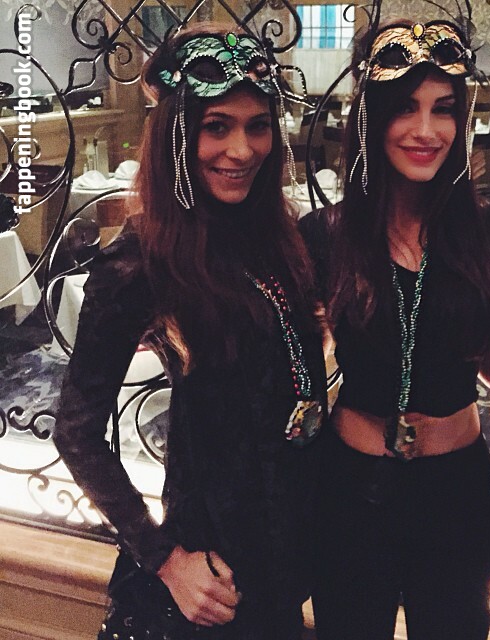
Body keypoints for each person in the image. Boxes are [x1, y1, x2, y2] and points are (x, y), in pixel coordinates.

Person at [53, 22, 327, 640]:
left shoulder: (279, 239)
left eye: (258, 125)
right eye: (216, 126)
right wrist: (165, 559)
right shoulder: (140, 261)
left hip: (284, 576)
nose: (242, 149)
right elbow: (75, 430)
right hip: (204, 586)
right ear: (177, 133)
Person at [300, 16, 490, 640]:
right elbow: (300, 353)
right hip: (350, 490)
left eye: (443, 109)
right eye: (404, 108)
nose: (426, 131)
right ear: (371, 119)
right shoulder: (326, 236)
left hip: (456, 492)